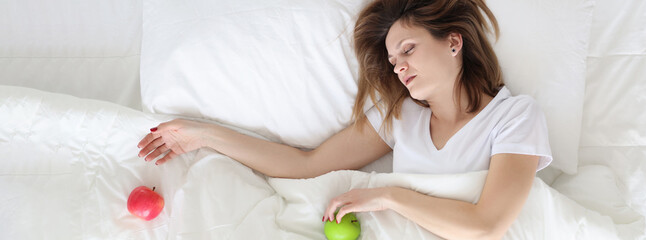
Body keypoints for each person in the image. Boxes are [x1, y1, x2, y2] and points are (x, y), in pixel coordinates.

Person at [136, 0, 553, 238]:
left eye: (408, 49)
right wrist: (203, 134)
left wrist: (388, 195)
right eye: (392, 61)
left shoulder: (514, 116)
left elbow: (489, 225)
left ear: (454, 42)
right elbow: (306, 165)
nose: (399, 67)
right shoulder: (401, 117)